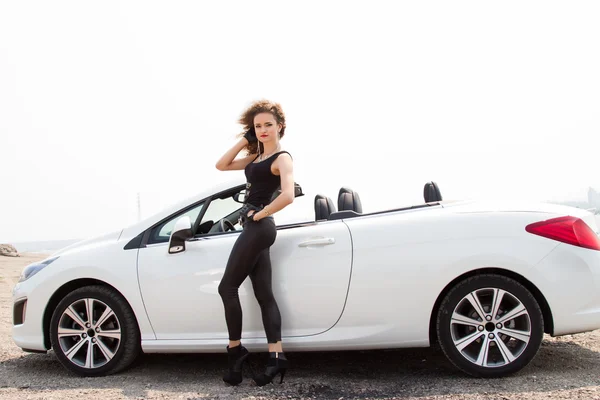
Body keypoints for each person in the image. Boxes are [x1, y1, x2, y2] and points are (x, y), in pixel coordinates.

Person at [215, 100, 295, 386]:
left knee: (227, 287)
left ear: (279, 127)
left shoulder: (282, 158)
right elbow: (221, 165)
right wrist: (244, 140)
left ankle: (235, 351)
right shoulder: (255, 159)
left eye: (268, 125)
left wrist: (259, 213)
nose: (262, 130)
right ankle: (276, 357)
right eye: (257, 126)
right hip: (256, 227)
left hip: (260, 226)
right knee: (264, 295)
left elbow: (288, 195)